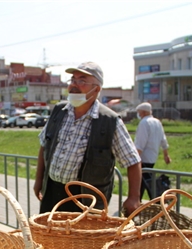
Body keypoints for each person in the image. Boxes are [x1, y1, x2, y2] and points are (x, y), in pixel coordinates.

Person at [33, 61, 142, 216]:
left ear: (96, 89)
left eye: (82, 81)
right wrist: (39, 181)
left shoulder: (109, 121)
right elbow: (44, 146)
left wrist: (133, 198)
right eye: (73, 80)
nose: (74, 85)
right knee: (48, 238)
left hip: (86, 201)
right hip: (52, 192)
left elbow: (133, 161)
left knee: (81, 241)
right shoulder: (59, 111)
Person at [134, 102, 171, 200]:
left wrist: (135, 158)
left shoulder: (144, 123)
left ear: (143, 112)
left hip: (143, 158)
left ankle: (155, 202)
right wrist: (166, 155)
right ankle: (142, 201)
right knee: (144, 182)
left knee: (143, 183)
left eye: (139, 112)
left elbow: (140, 143)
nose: (139, 114)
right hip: (152, 157)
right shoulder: (157, 122)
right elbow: (163, 140)